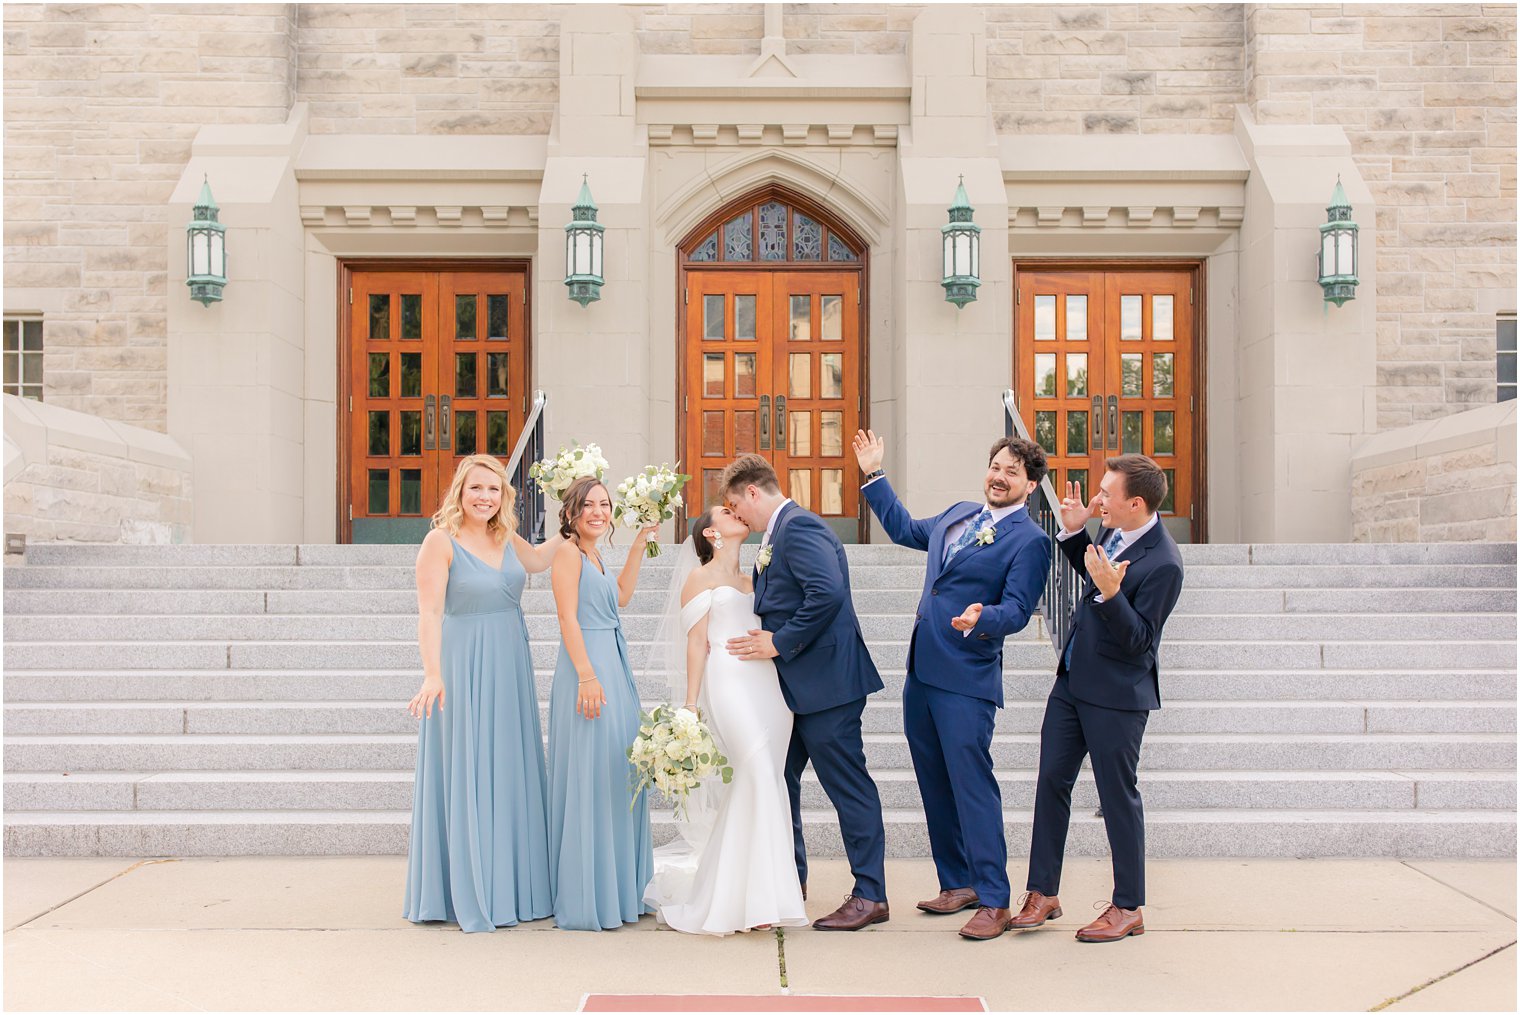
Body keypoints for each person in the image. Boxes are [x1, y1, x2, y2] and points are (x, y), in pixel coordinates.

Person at [854, 430, 1052, 940]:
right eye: (996, 466)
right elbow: (902, 529)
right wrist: (874, 474)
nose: (1000, 476)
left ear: (1029, 486)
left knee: (972, 785)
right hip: (922, 668)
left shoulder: (1029, 541)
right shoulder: (959, 513)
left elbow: (1018, 609)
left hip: (967, 674)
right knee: (933, 780)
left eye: (1013, 472)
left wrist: (983, 615)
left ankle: (994, 898)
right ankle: (957, 882)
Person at [1014, 454, 1184, 944]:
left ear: (1136, 503)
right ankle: (1042, 892)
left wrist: (1113, 596)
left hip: (1117, 697)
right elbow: (1096, 575)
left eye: (1107, 494)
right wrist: (1073, 536)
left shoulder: (1166, 563)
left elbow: (1140, 643)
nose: (1097, 500)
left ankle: (1128, 906)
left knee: (1117, 798)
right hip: (1072, 683)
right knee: (1051, 783)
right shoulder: (1112, 532)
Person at [721, 454, 890, 932]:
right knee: (779, 782)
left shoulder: (799, 528)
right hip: (796, 689)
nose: (738, 517)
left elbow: (827, 592)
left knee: (848, 787)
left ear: (754, 492)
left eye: (737, 506)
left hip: (828, 684)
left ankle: (870, 894)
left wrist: (779, 641)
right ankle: (788, 883)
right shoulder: (778, 533)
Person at [403, 453, 564, 933]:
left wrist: (575, 523)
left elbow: (536, 560)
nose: (485, 497)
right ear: (460, 491)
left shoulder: (504, 535)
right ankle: (469, 888)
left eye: (494, 490)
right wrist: (433, 674)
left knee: (507, 766)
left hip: (509, 660)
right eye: (476, 488)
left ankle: (512, 887)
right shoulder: (440, 540)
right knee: (470, 767)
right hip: (463, 663)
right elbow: (429, 613)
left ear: (504, 497)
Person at [643, 505, 810, 936]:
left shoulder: (756, 576)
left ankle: (762, 894)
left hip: (769, 686)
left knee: (766, 779)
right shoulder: (699, 579)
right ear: (712, 534)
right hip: (729, 683)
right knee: (753, 769)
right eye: (726, 512)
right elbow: (696, 644)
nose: (736, 513)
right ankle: (739, 899)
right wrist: (690, 704)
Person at [546, 475, 661, 931]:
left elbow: (621, 598)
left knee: (617, 773)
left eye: (605, 504)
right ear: (571, 511)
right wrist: (587, 675)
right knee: (590, 775)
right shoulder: (566, 553)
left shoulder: (595, 555)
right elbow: (565, 616)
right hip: (587, 668)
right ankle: (587, 894)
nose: (598, 511)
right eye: (588, 504)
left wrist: (637, 546)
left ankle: (619, 890)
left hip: (613, 663)